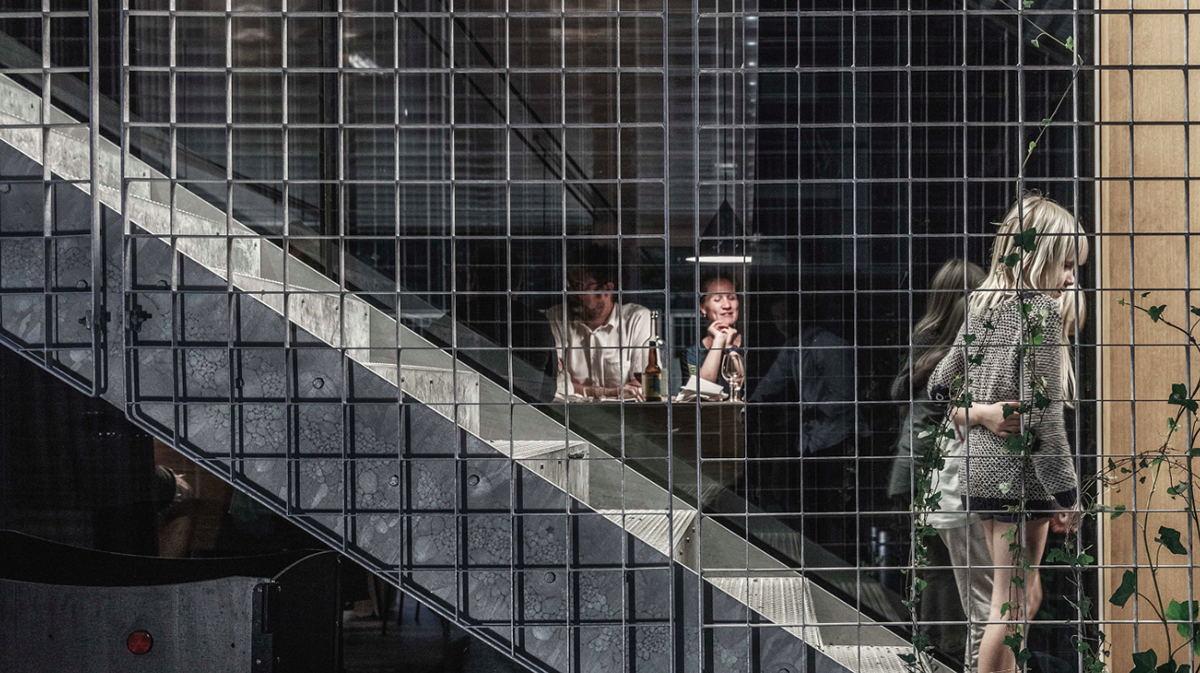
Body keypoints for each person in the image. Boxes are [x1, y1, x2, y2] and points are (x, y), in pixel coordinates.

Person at [928, 192, 1087, 673]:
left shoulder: (981, 306)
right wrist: (1067, 494)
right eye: (1065, 265)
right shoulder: (1038, 313)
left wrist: (982, 412)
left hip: (982, 475)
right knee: (1012, 607)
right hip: (1024, 479)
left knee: (1010, 600)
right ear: (1039, 256)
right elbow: (1045, 423)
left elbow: (939, 386)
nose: (1070, 278)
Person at [886, 259, 988, 669]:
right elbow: (902, 394)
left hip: (915, 468)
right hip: (929, 470)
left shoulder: (930, 339)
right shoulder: (940, 343)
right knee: (943, 567)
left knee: (935, 566)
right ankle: (942, 648)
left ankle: (930, 647)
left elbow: (898, 397)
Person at [547, 244, 656, 401]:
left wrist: (577, 388)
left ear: (607, 289)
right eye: (571, 285)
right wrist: (611, 392)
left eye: (579, 286)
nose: (571, 293)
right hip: (569, 417)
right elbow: (553, 383)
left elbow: (644, 384)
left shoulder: (636, 319)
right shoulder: (557, 317)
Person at [686, 272, 742, 390]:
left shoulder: (755, 344)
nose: (727, 305)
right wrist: (718, 341)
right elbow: (700, 391)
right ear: (702, 307)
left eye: (732, 298)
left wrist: (729, 348)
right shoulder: (692, 352)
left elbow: (743, 385)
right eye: (717, 299)